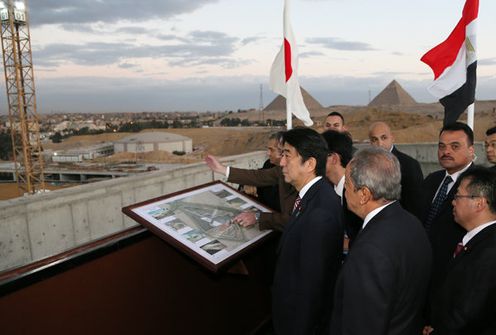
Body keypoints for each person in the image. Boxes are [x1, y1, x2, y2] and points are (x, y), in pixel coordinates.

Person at [330, 147, 432, 335]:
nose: (344, 191)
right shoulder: (412, 223)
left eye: (347, 186)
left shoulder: (370, 250)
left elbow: (362, 324)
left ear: (364, 195)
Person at [272, 127, 343, 335]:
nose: (281, 162)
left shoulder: (320, 211)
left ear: (310, 164)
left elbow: (312, 288)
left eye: (287, 155)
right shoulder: (312, 197)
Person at [425, 167, 496, 335]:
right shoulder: (475, 240)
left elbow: (469, 313)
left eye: (458, 196)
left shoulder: (489, 252)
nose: (453, 201)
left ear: (479, 203)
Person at [419, 122, 475, 306]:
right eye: (442, 146)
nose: (446, 151)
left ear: (471, 150)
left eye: (455, 146)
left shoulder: (480, 184)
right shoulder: (432, 180)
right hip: (423, 273)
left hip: (456, 281)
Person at [204, 133, 297, 232]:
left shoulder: (304, 185)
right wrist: (223, 170)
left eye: (271, 150)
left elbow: (291, 220)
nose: (268, 153)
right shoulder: (270, 165)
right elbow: (258, 176)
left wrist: (257, 217)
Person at [368, 121, 424, 216]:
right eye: (374, 139)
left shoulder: (409, 165)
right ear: (370, 142)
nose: (380, 143)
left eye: (384, 138)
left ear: (392, 138)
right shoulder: (366, 165)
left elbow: (415, 205)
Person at [321, 129, 362, 247]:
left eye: (318, 155)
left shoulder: (356, 195)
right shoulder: (329, 189)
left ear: (333, 158)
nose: (313, 161)